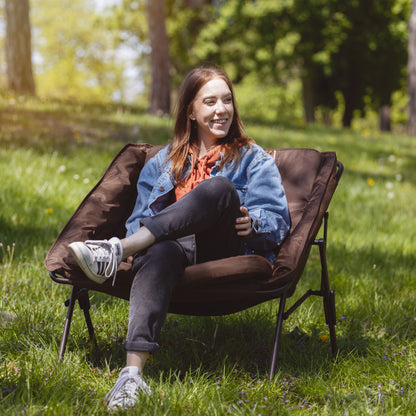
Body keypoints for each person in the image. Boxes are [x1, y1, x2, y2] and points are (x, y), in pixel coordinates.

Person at [68, 66, 290, 410]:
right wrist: (148, 240)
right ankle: (131, 377)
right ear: (191, 110)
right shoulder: (162, 162)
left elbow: (278, 221)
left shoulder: (253, 159)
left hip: (219, 249)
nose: (222, 109)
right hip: (169, 253)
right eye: (210, 101)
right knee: (157, 253)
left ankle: (117, 252)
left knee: (217, 187)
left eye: (227, 100)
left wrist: (255, 223)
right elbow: (139, 219)